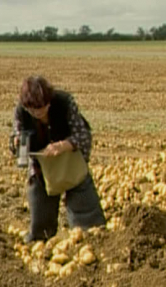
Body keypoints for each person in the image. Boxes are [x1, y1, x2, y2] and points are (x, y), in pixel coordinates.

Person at [11, 75, 106, 243]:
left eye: (42, 108)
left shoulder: (64, 103)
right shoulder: (21, 113)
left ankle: (91, 242)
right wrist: (17, 144)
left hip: (70, 162)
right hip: (42, 167)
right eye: (34, 110)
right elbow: (20, 152)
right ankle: (41, 245)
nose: (38, 113)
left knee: (88, 222)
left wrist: (62, 146)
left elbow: (83, 135)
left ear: (49, 101)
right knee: (40, 222)